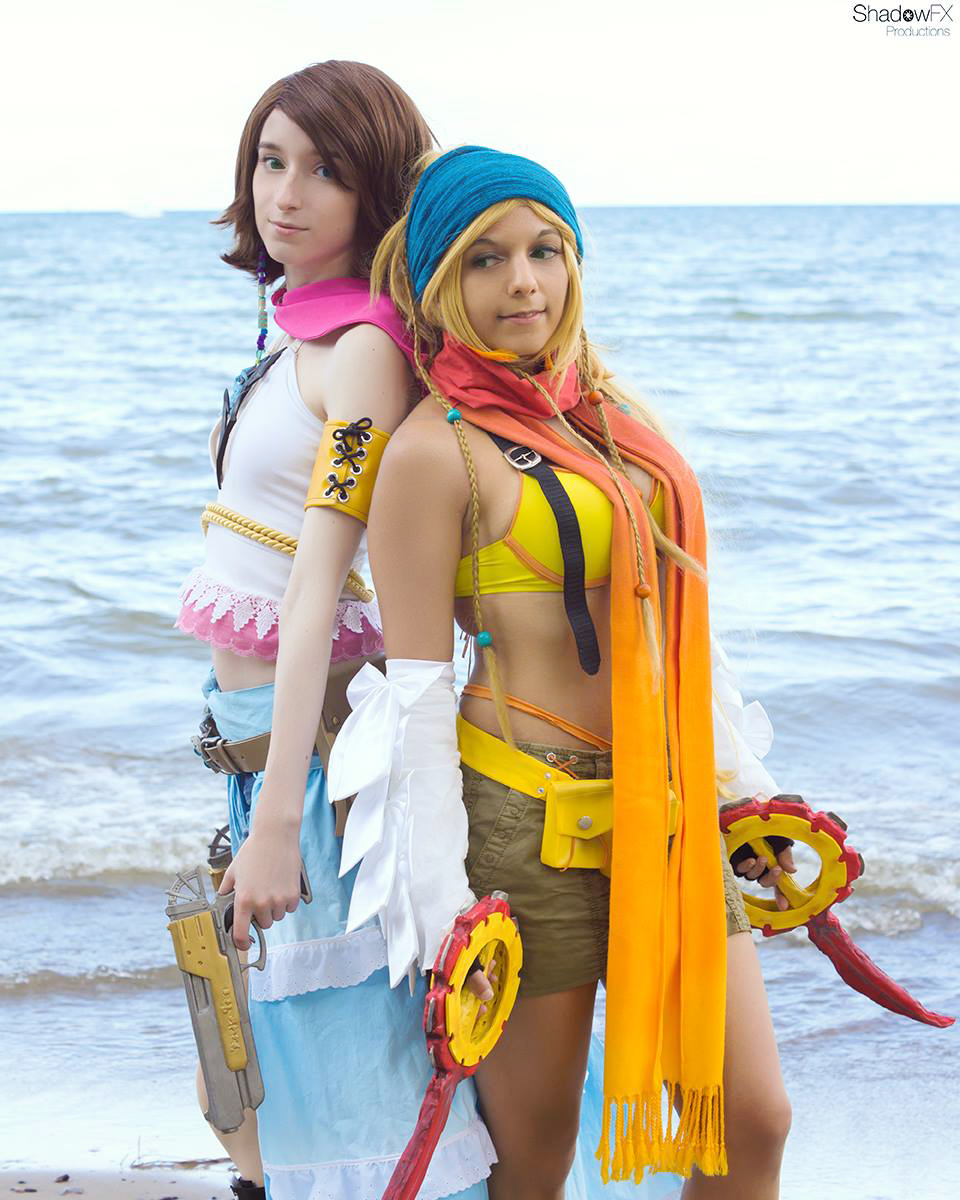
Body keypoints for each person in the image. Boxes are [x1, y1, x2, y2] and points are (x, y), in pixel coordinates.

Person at [327, 146, 793, 1200]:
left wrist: (738, 791)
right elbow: (415, 700)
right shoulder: (430, 453)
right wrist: (442, 906)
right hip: (523, 827)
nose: (524, 282)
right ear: (438, 282)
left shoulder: (616, 424)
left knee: (750, 1120)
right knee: (533, 1161)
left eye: (546, 250)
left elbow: (680, 634)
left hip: (665, 812)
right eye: (485, 259)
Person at [176, 72, 495, 1200]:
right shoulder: (297, 338)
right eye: (272, 161)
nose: (287, 194)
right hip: (262, 743)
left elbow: (317, 584)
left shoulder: (361, 351)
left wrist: (276, 823)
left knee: (354, 1077)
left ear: (378, 192)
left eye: (326, 171)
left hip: (309, 766)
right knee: (252, 1079)